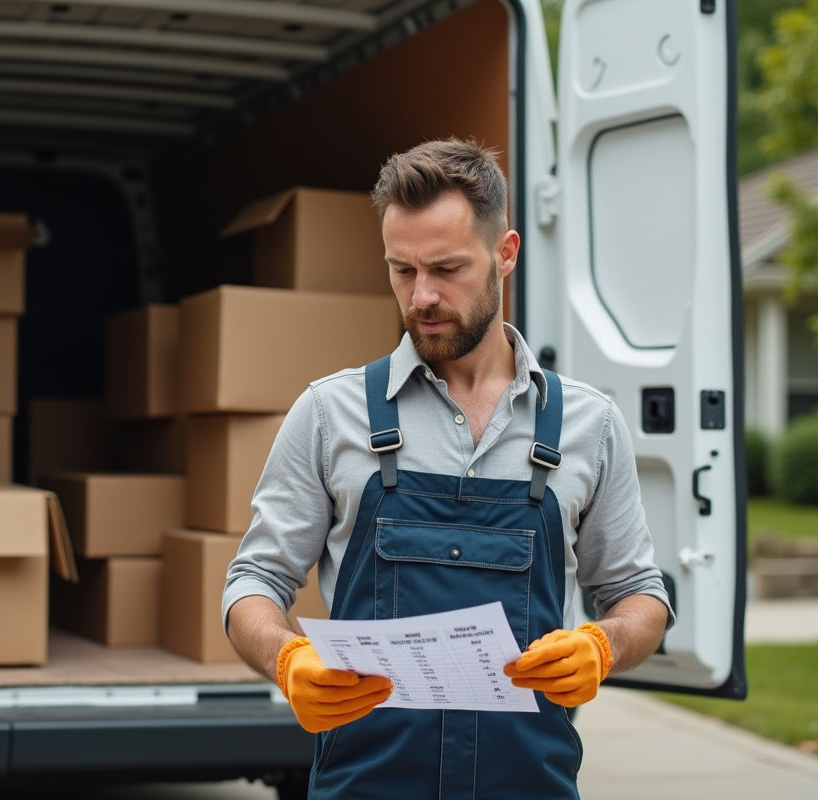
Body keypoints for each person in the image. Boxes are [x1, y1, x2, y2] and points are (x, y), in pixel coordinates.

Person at [222, 138, 674, 799]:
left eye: (446, 268)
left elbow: (642, 597)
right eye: (401, 270)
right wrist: (284, 656)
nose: (422, 295)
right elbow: (253, 583)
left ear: (507, 254)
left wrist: (606, 644)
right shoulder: (328, 413)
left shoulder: (590, 425)